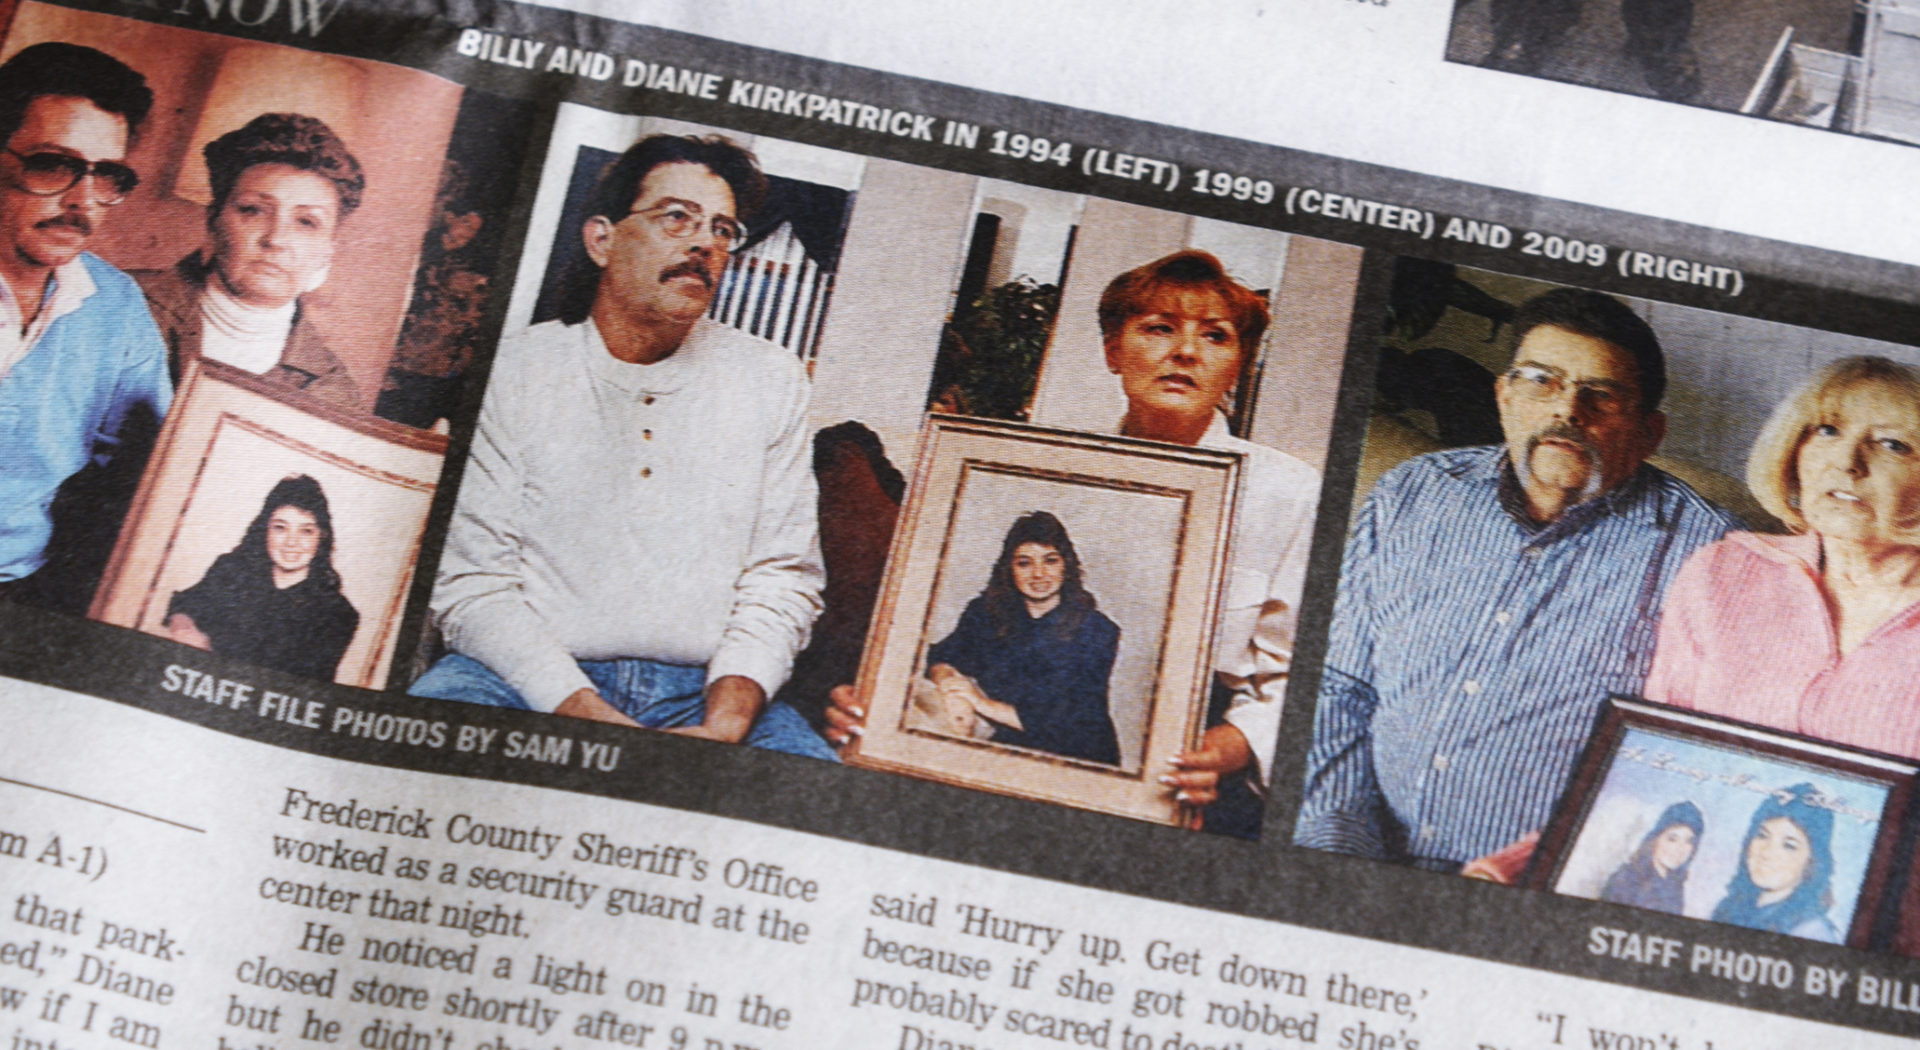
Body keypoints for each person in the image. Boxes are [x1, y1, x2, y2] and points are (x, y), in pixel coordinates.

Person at [831, 250, 1322, 831]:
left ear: (1237, 367)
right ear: (1114, 352)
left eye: (1215, 337)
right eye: (1159, 328)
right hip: (1010, 753)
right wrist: (885, 706)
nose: (1186, 352)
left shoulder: (1286, 493)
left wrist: (1233, 746)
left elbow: (1295, 678)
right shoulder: (1054, 477)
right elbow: (948, 652)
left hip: (1181, 766)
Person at [412, 134, 832, 760]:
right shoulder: (518, 368)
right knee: (412, 760)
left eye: (722, 229)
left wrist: (725, 725)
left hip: (708, 693)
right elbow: (473, 585)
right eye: (675, 217)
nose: (703, 244)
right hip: (522, 681)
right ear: (601, 239)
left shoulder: (771, 380)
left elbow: (783, 579)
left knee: (819, 813)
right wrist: (587, 716)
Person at [1295, 288, 1735, 872]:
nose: (1566, 412)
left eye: (1601, 396)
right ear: (1504, 396)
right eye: (1540, 380)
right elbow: (1337, 686)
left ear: (1650, 433)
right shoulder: (1410, 495)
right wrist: (1336, 844)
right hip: (1352, 851)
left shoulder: (1708, 555)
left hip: (1538, 884)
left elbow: (1682, 767)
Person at [1647, 357, 1920, 760]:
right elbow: (1654, 747)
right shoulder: (1722, 571)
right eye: (1828, 431)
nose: (1846, 462)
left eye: (1892, 445)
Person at [0, 43, 168, 598]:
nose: (82, 201)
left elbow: (152, 468)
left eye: (107, 176)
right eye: (53, 165)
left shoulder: (116, 306)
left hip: (24, 593)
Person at [135, 113, 363, 409]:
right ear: (214, 221)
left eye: (306, 222)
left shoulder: (334, 390)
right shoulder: (118, 302)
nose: (275, 239)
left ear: (328, 250)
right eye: (253, 210)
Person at [922, 512, 1121, 765]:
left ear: (1066, 566)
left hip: (1076, 757)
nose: (1038, 574)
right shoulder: (984, 613)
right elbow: (941, 656)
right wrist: (949, 684)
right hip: (1006, 744)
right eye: (1024, 563)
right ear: (1009, 569)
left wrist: (977, 701)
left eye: (1050, 561)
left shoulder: (1098, 630)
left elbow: (1065, 723)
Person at [166, 475, 359, 681]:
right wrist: (184, 627)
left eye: (306, 531)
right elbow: (185, 603)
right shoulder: (230, 569)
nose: (291, 542)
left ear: (322, 537)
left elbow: (305, 688)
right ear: (264, 531)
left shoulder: (338, 614)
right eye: (280, 527)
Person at [1711, 784, 1842, 943]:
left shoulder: (1811, 933)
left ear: (1812, 861)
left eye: (1789, 845)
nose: (1767, 852)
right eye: (1762, 835)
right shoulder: (1730, 906)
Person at [1597, 800, 1702, 914]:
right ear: (1655, 839)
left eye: (1689, 841)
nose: (1680, 849)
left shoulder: (1674, 887)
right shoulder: (1626, 878)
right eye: (1672, 839)